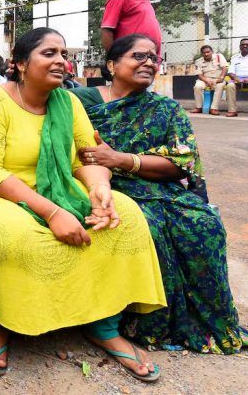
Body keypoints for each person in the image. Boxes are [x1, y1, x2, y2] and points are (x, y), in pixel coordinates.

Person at [0, 27, 166, 382]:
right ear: (20, 63)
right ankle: (0, 323)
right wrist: (51, 212)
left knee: (123, 216)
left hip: (59, 188)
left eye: (64, 54)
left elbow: (88, 157)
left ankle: (104, 325)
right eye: (48, 53)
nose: (61, 61)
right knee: (17, 236)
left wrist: (99, 191)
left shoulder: (68, 103)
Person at [70, 34, 248, 354]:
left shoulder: (166, 108)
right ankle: (142, 322)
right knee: (146, 227)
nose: (150, 63)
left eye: (154, 58)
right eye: (139, 56)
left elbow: (182, 163)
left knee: (203, 222)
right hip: (99, 185)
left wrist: (123, 159)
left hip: (157, 186)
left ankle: (204, 319)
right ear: (112, 65)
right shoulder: (79, 100)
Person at [191, 45, 228, 115]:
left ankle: (213, 108)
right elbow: (200, 75)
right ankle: (199, 107)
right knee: (197, 86)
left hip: (218, 79)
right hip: (205, 79)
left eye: (208, 52)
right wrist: (207, 82)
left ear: (212, 52)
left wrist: (222, 78)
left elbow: (224, 68)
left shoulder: (219, 57)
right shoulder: (198, 61)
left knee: (220, 86)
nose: (206, 54)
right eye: (204, 53)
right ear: (201, 54)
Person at [225, 38, 248, 117]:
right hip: (238, 80)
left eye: (247, 45)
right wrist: (235, 78)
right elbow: (231, 72)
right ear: (240, 47)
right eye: (243, 45)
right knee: (230, 86)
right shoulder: (234, 58)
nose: (245, 46)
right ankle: (232, 110)